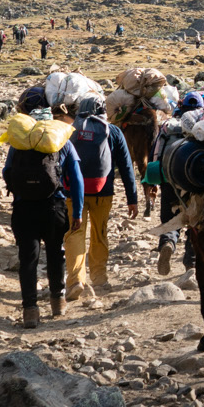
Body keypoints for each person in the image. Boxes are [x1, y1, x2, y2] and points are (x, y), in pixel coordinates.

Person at [1, 91, 84, 327]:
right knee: (56, 253)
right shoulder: (61, 141)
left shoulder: (18, 142)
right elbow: (76, 178)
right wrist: (77, 211)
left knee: (28, 258)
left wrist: (20, 192)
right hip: (54, 206)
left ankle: (30, 310)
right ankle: (57, 303)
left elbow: (7, 173)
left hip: (24, 208)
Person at [64, 96, 140, 299]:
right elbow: (126, 167)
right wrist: (132, 199)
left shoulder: (71, 129)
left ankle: (75, 281)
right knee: (99, 234)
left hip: (72, 193)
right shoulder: (112, 131)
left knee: (74, 234)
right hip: (103, 192)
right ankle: (99, 278)